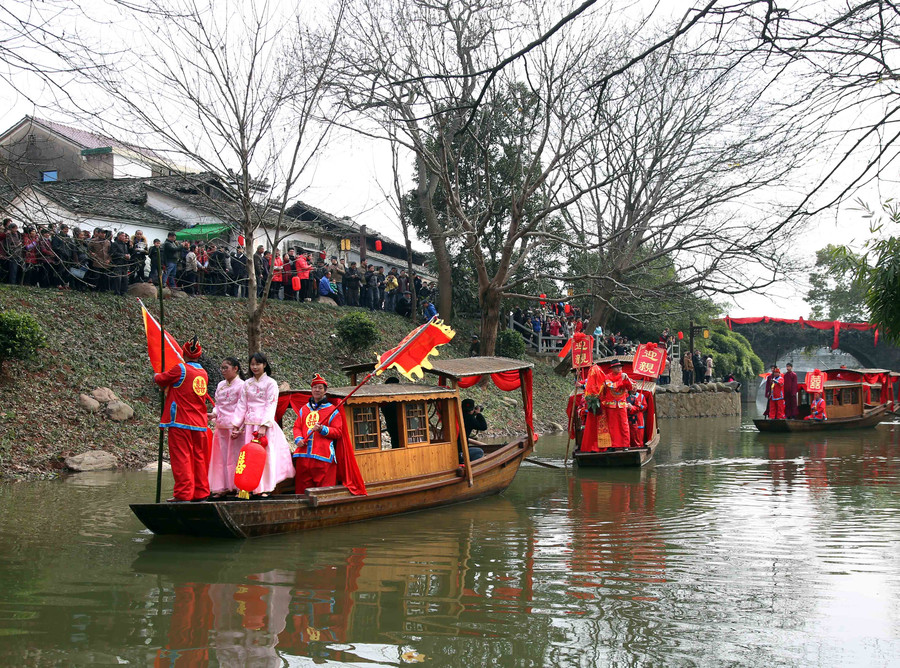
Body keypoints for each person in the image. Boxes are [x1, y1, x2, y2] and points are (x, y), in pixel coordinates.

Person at [153, 338, 213, 502]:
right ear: (199, 356)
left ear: (183, 353)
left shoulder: (181, 369)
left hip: (181, 421)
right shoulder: (204, 374)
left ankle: (183, 494)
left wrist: (156, 373)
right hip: (200, 423)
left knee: (182, 458)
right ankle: (201, 493)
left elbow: (160, 380)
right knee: (199, 458)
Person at [231, 352, 294, 497]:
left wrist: (264, 425)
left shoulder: (271, 383)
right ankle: (248, 486)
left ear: (264, 365)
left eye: (258, 364)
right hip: (248, 425)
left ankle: (265, 487)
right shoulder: (247, 383)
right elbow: (242, 404)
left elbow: (271, 404)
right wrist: (236, 424)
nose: (255, 367)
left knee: (265, 456)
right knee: (248, 457)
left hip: (264, 426)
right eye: (252, 364)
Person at [292, 373, 345, 493]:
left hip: (323, 456)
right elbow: (297, 427)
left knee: (324, 491)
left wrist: (323, 429)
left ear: (325, 391)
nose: (317, 390)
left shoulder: (332, 410)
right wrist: (298, 439)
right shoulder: (304, 409)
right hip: (303, 455)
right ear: (311, 389)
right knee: (302, 491)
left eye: (320, 387)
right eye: (314, 387)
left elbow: (338, 432)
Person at [208, 357, 246, 498]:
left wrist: (239, 426)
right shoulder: (220, 385)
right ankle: (223, 486)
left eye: (226, 368)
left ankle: (239, 487)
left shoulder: (242, 385)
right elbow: (218, 405)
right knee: (221, 458)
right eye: (222, 368)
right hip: (221, 426)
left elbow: (243, 407)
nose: (223, 370)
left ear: (235, 369)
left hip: (235, 427)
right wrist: (213, 414)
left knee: (236, 457)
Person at [602, 359, 633, 448]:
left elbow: (630, 387)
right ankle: (613, 445)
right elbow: (612, 386)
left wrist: (626, 379)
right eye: (617, 367)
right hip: (611, 405)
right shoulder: (607, 377)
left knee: (624, 425)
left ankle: (625, 445)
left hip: (621, 405)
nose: (619, 368)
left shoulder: (624, 375)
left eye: (620, 366)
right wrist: (622, 379)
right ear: (612, 368)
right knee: (612, 426)